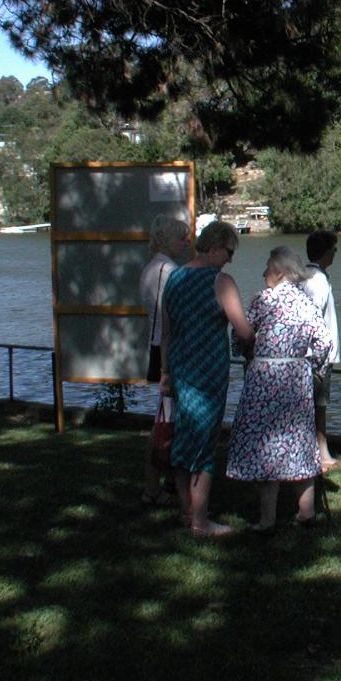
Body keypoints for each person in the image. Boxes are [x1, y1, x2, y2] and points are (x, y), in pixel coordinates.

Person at [225, 246, 332, 531]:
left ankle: (267, 519)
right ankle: (307, 512)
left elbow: (240, 336)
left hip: (265, 376)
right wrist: (317, 370)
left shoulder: (263, 300)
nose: (263, 274)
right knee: (299, 441)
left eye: (268, 268)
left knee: (265, 444)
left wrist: (247, 353)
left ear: (281, 272)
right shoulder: (306, 303)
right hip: (296, 376)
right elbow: (324, 342)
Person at [161, 219, 254, 537]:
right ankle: (201, 521)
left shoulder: (175, 278)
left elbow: (167, 332)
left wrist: (165, 373)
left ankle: (186, 510)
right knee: (204, 444)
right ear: (214, 247)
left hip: (181, 371)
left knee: (184, 438)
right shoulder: (221, 282)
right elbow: (243, 330)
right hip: (208, 374)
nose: (230, 258)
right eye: (229, 251)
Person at [140, 214, 190, 505]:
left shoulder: (153, 268)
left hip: (160, 347)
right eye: (180, 237)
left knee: (168, 420)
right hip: (166, 352)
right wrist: (167, 369)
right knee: (165, 423)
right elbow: (169, 322)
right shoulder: (167, 271)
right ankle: (153, 488)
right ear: (164, 239)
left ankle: (167, 482)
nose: (185, 243)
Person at [302, 230, 340, 471]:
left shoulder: (306, 276)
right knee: (318, 405)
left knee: (317, 405)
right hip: (317, 357)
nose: (335, 254)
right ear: (326, 252)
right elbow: (314, 318)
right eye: (334, 249)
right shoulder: (318, 280)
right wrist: (319, 357)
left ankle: (320, 451)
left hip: (313, 354)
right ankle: (321, 453)